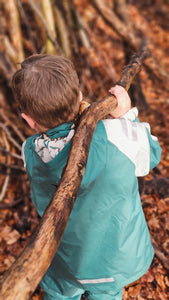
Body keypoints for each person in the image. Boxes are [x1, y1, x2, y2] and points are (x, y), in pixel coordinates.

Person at [12, 54, 161, 300]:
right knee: (107, 294)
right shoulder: (117, 134)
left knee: (58, 291)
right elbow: (153, 154)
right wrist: (126, 116)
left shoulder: (29, 152)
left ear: (28, 119)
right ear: (81, 97)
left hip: (63, 261)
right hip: (115, 261)